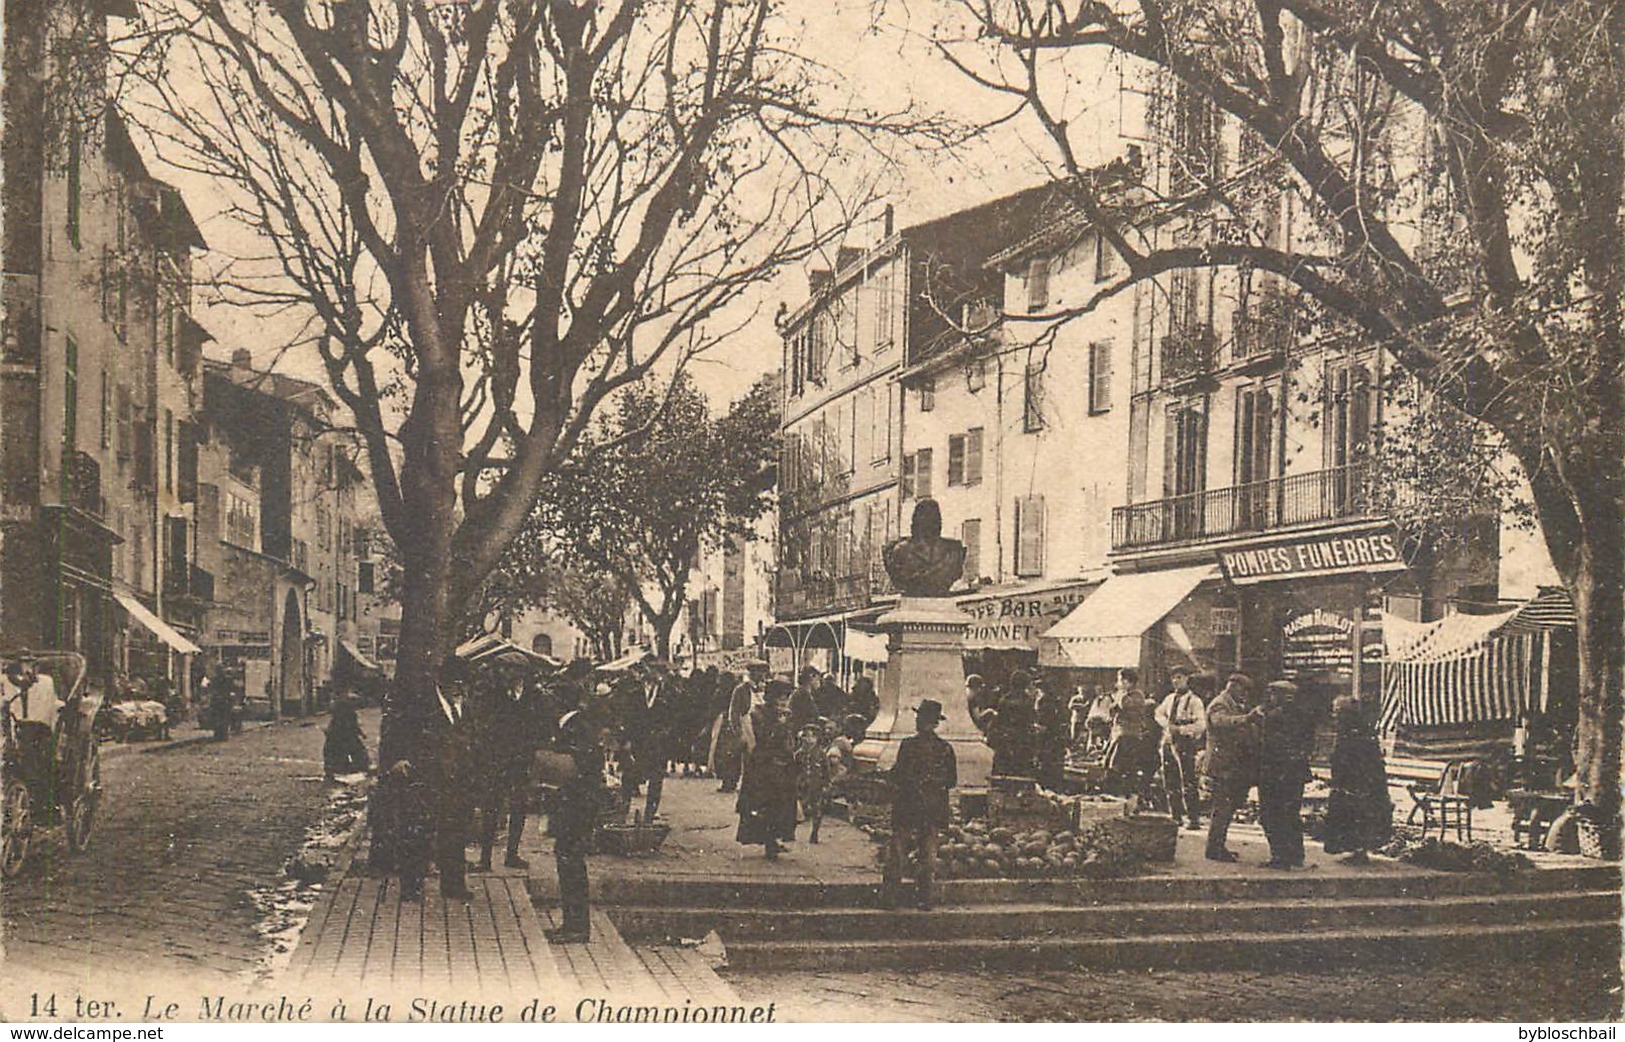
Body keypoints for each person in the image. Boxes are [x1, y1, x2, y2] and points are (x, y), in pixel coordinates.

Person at [546, 699, 613, 942]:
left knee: (571, 862)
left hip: (576, 806)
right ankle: (572, 924)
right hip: (574, 804)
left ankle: (576, 927)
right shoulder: (575, 725)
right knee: (568, 860)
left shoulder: (576, 727)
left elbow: (578, 766)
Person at [884, 699, 957, 911]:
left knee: (898, 850)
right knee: (928, 854)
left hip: (908, 805)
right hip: (933, 808)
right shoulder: (946, 749)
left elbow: (898, 775)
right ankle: (924, 898)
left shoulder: (908, 745)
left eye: (920, 718)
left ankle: (891, 897)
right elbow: (951, 780)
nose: (917, 721)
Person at [472, 653, 540, 872]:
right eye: (504, 670)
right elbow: (482, 724)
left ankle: (512, 854)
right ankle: (485, 858)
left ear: (521, 672)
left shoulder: (532, 695)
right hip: (496, 759)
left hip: (521, 760)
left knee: (519, 807)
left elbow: (538, 725)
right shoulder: (491, 693)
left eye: (510, 670)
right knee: (491, 807)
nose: (505, 674)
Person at [1321, 692, 1393, 864]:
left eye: (1337, 711)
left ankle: (1360, 852)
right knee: (1350, 816)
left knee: (1358, 815)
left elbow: (1361, 759)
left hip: (1359, 782)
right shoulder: (1350, 729)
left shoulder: (1356, 731)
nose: (1334, 715)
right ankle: (1356, 850)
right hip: (1351, 781)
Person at [736, 679, 798, 859]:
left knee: (781, 806)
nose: (783, 702)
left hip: (782, 767)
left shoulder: (785, 715)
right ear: (770, 698)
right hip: (763, 767)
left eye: (786, 698)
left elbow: (789, 741)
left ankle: (774, 840)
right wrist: (780, 724)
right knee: (767, 806)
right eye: (780, 698)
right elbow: (759, 742)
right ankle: (770, 843)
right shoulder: (758, 715)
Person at [1203, 672, 1261, 863]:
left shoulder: (1234, 704)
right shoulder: (1220, 703)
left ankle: (1218, 846)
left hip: (1231, 766)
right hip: (1222, 766)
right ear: (1233, 686)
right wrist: (1247, 718)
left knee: (1227, 807)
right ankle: (1214, 848)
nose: (1245, 695)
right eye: (1243, 690)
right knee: (1222, 808)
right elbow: (1221, 722)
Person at [1258, 679, 1314, 869]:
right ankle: (1296, 855)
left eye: (1273, 694)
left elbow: (1266, 745)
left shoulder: (1272, 716)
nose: (1270, 697)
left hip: (1274, 772)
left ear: (1281, 696)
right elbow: (1308, 745)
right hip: (1295, 773)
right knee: (1291, 814)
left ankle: (1279, 856)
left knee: (1270, 814)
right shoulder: (1306, 715)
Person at [1155, 665, 1209, 831]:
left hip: (1185, 742)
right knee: (1170, 779)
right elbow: (1158, 713)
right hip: (1168, 741)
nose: (1176, 681)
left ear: (1187, 679)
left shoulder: (1194, 701)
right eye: (1173, 678)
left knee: (1188, 781)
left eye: (1179, 677)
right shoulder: (1169, 698)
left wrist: (1181, 730)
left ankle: (1193, 819)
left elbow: (1201, 724)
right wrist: (1167, 725)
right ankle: (1175, 816)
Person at [626, 659, 676, 821]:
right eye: (650, 670)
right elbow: (627, 718)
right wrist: (627, 739)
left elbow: (674, 718)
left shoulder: (668, 693)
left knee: (656, 778)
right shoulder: (633, 692)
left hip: (658, 742)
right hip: (638, 741)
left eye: (657, 671)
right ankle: (623, 810)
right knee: (631, 774)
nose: (653, 674)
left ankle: (650, 812)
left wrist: (665, 732)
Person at [1104, 668, 1156, 803]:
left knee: (1126, 769)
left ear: (1128, 682)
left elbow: (1123, 705)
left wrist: (1119, 696)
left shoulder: (1137, 695)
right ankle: (1119, 799)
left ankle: (1130, 800)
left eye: (1120, 680)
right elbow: (1111, 710)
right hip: (1119, 735)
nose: (1118, 683)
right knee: (1114, 768)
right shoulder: (1125, 694)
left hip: (1129, 736)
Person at [986, 671, 1038, 778]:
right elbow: (1031, 719)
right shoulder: (1027, 701)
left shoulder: (1005, 699)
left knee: (1003, 773)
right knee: (1021, 774)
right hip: (1022, 742)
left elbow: (999, 720)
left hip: (1005, 741)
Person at [1033, 674, 1070, 791]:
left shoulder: (1043, 701)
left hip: (1047, 740)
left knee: (1045, 768)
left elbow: (1043, 724)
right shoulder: (1055, 700)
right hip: (1055, 739)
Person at [323, 694, 370, 782]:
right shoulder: (347, 713)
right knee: (353, 751)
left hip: (341, 735)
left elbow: (353, 725)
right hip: (342, 736)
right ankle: (334, 771)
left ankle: (333, 771)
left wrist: (361, 733)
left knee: (335, 753)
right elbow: (352, 726)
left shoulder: (345, 712)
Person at [789, 667, 821, 733]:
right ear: (811, 678)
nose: (819, 683)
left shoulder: (803, 692)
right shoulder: (803, 694)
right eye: (817, 679)